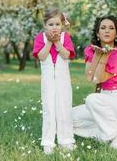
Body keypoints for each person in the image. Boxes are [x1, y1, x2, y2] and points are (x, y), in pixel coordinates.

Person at [72, 15, 117, 149]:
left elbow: (98, 79)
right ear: (97, 33)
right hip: (102, 99)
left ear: (116, 34)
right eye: (103, 28)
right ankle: (106, 133)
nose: (107, 31)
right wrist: (98, 55)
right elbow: (90, 77)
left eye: (111, 28)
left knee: (92, 99)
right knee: (67, 118)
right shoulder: (92, 51)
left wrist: (104, 57)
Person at [33, 9, 76, 154]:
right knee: (49, 108)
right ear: (45, 25)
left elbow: (66, 55)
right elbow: (41, 56)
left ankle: (66, 139)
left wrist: (57, 43)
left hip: (63, 80)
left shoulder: (65, 38)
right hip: (48, 81)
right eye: (50, 24)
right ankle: (48, 141)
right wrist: (49, 43)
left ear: (62, 25)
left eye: (57, 24)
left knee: (64, 107)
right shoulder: (40, 38)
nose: (54, 27)